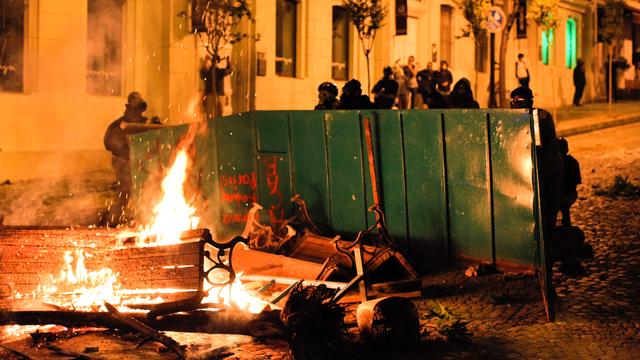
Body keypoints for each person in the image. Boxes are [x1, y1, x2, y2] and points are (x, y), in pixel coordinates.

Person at [103, 92, 151, 226]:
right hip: (122, 161)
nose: (137, 111)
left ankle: (143, 222)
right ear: (130, 107)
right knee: (125, 192)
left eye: (139, 108)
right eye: (135, 108)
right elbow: (110, 143)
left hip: (134, 161)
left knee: (143, 190)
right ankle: (111, 223)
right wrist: (127, 154)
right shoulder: (120, 125)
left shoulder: (141, 122)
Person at [200, 55, 233, 119]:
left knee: (209, 115)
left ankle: (210, 127)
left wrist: (205, 62)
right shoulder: (219, 71)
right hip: (218, 95)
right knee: (219, 115)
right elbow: (230, 70)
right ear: (217, 62)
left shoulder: (208, 72)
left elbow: (202, 74)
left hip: (209, 94)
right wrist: (228, 61)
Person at [558, 138, 581, 227]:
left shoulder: (572, 163)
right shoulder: (573, 162)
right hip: (567, 193)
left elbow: (572, 186)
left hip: (567, 194)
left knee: (563, 205)